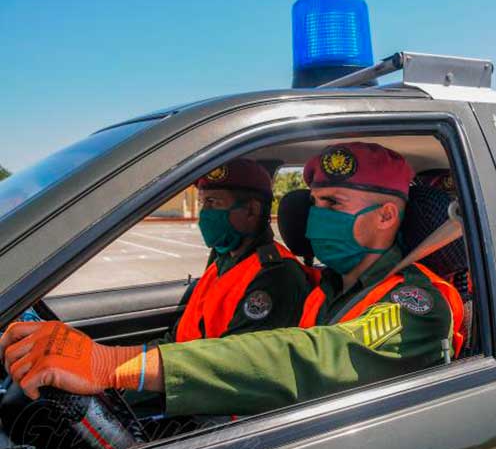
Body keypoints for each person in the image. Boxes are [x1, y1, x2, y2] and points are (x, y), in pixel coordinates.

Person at [0, 142, 465, 417]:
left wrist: (114, 366)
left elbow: (310, 358)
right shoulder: (330, 286)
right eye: (314, 202)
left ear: (386, 215)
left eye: (332, 205)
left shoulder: (416, 303)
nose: (310, 217)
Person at [158, 158, 311, 343]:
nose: (204, 213)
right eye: (202, 203)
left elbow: (231, 362)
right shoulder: (223, 262)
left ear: (251, 211)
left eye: (213, 202)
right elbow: (183, 333)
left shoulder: (276, 276)